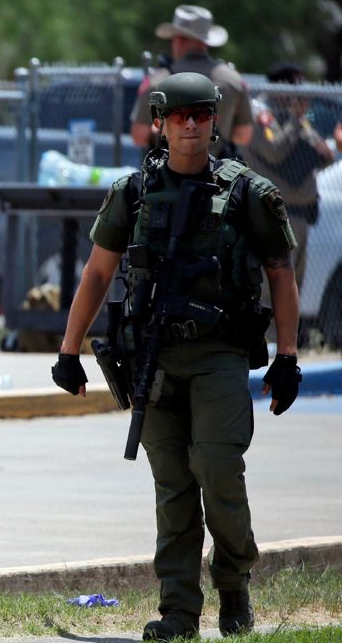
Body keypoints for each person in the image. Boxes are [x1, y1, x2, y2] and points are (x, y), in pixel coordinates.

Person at [52, 73, 302, 640]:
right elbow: (97, 272)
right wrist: (69, 350)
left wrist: (287, 356)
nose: (191, 124)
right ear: (160, 122)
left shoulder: (248, 194)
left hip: (219, 354)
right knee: (172, 487)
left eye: (202, 114)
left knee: (216, 469)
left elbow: (280, 275)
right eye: (179, 115)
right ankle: (179, 612)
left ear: (215, 120)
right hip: (154, 360)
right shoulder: (132, 193)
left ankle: (233, 580)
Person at [244, 61, 339, 288]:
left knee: (294, 287)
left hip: (300, 215)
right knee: (272, 290)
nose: (302, 93)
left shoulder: (294, 118)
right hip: (273, 213)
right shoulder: (261, 114)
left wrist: (301, 124)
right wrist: (296, 121)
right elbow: (274, 151)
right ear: (282, 87)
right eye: (297, 86)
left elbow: (324, 155)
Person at [131, 5, 253, 156]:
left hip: (167, 175)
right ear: (206, 41)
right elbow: (244, 136)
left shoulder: (157, 81)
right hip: (218, 175)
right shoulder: (233, 81)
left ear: (179, 40)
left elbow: (139, 136)